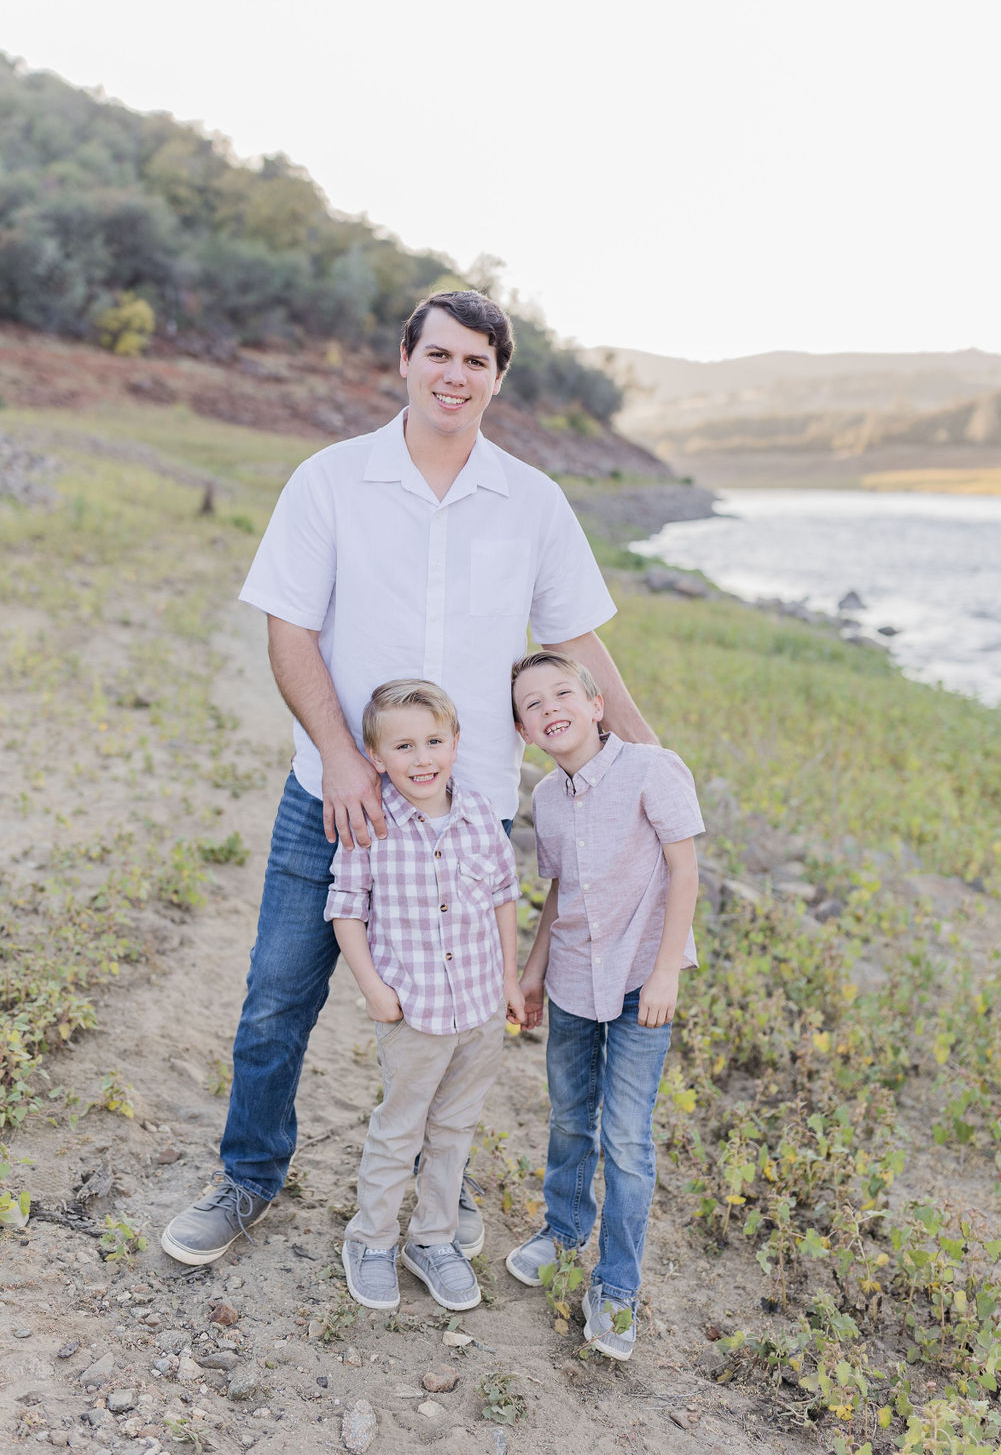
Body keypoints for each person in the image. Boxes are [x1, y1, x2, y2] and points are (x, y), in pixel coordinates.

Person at [160, 290, 658, 1266]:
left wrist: (643, 759)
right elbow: (289, 627)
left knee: (467, 1017)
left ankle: (440, 1197)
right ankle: (248, 1177)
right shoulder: (330, 481)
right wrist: (344, 756)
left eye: (476, 361)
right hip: (333, 799)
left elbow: (571, 637)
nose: (454, 375)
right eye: (439, 354)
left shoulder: (532, 503)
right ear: (404, 360)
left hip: (465, 816)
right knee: (274, 1001)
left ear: (497, 378)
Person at [504, 651, 702, 1361]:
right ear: (524, 728)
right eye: (532, 703)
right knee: (566, 1118)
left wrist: (664, 974)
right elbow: (560, 895)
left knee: (625, 1139)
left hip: (639, 989)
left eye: (562, 692)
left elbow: (685, 870)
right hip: (573, 984)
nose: (549, 706)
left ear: (595, 705)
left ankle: (616, 1288)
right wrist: (530, 974)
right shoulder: (548, 800)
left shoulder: (653, 768)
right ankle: (561, 1233)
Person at [327, 678, 525, 1312]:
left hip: (479, 1008)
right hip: (411, 1011)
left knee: (454, 1130)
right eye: (404, 746)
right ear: (377, 758)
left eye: (434, 741)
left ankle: (433, 1240)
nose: (422, 759)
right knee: (400, 1130)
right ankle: (372, 1240)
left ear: (457, 743)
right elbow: (346, 908)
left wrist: (508, 979)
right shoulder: (373, 824)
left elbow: (501, 899)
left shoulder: (478, 815)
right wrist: (372, 988)